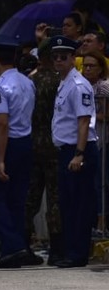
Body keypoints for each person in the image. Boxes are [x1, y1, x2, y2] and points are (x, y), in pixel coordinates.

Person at [0, 41, 42, 269]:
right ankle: (16, 249)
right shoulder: (28, 82)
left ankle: (14, 244)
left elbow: (2, 124)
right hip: (25, 141)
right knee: (16, 199)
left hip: (6, 143)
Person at [51, 35, 99, 267]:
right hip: (66, 149)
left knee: (79, 204)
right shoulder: (64, 82)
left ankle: (77, 253)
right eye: (55, 57)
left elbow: (83, 122)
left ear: (73, 58)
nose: (58, 60)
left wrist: (79, 154)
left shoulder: (79, 85)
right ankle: (72, 250)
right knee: (69, 203)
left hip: (78, 150)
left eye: (63, 57)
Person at [25, 40, 63, 261]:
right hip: (53, 142)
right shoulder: (59, 82)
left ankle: (22, 242)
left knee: (30, 196)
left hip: (32, 141)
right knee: (55, 196)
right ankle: (57, 247)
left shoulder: (30, 81)